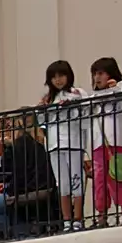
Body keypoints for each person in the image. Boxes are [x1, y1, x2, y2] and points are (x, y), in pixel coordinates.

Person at [0, 114, 58, 237]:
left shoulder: (19, 145)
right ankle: (22, 231)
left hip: (24, 190)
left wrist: (8, 148)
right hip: (38, 187)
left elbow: (9, 171)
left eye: (9, 127)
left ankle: (20, 233)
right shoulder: (36, 144)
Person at [87, 58, 122, 227]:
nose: (97, 78)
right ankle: (101, 216)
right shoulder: (93, 96)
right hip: (98, 144)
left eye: (101, 73)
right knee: (99, 180)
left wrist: (116, 90)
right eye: (95, 74)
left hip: (118, 141)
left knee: (118, 177)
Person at [39, 60, 87, 226]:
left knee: (76, 179)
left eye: (61, 76)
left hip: (73, 142)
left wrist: (70, 106)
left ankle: (78, 219)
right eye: (54, 77)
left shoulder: (78, 93)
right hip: (54, 144)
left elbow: (85, 115)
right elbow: (42, 122)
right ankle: (67, 220)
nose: (58, 80)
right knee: (62, 183)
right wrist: (42, 109)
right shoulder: (48, 98)